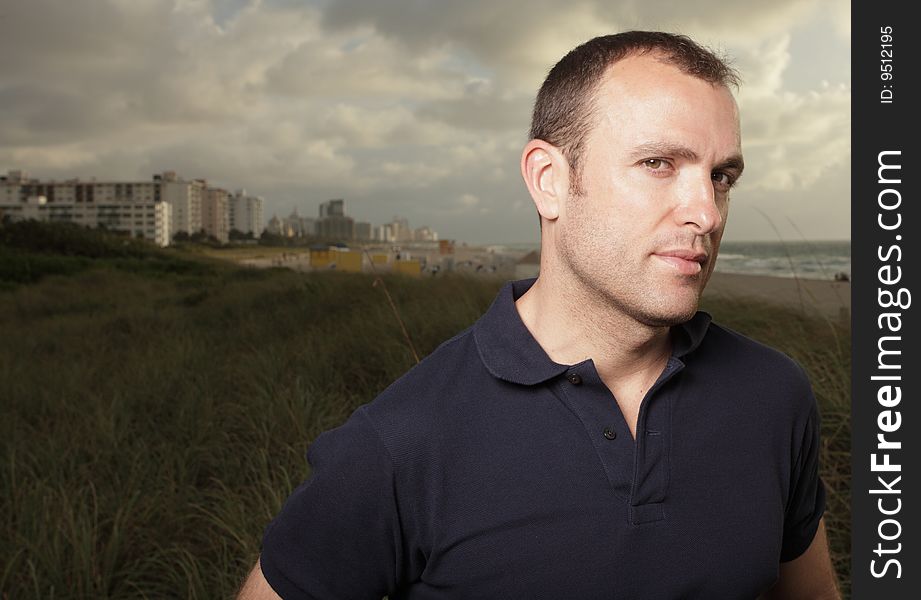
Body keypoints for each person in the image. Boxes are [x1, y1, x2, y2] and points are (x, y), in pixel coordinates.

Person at [239, 31, 840, 599]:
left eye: (721, 176)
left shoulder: (775, 394)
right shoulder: (400, 443)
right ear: (548, 180)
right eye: (658, 163)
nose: (706, 213)